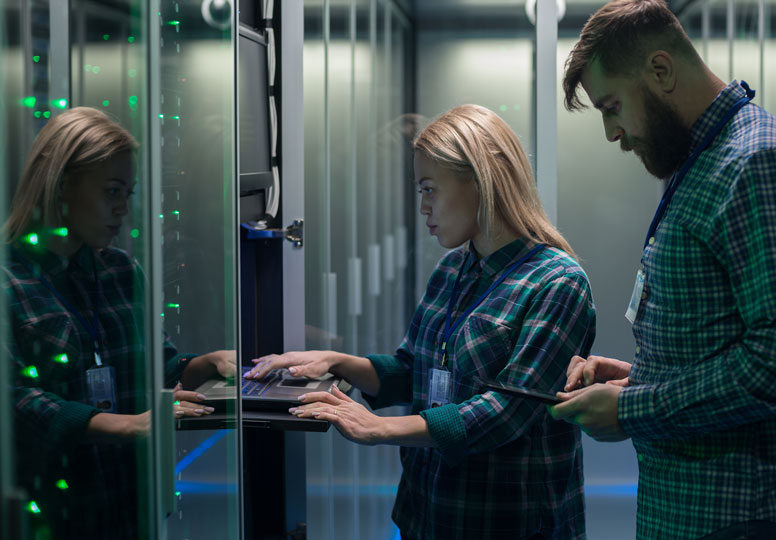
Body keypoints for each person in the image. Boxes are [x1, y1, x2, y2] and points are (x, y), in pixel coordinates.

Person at [548, 1, 776, 539]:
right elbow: (723, 345)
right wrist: (637, 380)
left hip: (748, 519)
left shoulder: (761, 162)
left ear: (660, 70)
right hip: (695, 516)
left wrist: (633, 408)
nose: (612, 132)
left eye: (612, 106)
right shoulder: (702, 162)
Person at [247, 104, 596, 539]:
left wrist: (381, 429)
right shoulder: (452, 269)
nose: (423, 207)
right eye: (419, 191)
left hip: (508, 523)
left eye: (430, 189)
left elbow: (508, 413)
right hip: (427, 514)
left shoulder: (557, 283)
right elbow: (413, 370)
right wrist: (336, 361)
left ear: (481, 179)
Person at [3, 107, 235, 539]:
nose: (123, 209)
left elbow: (157, 370)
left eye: (127, 193)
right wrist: (127, 425)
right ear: (60, 187)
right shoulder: (8, 281)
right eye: (111, 191)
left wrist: (206, 364)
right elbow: (14, 404)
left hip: (132, 510)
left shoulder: (121, 272)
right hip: (56, 517)